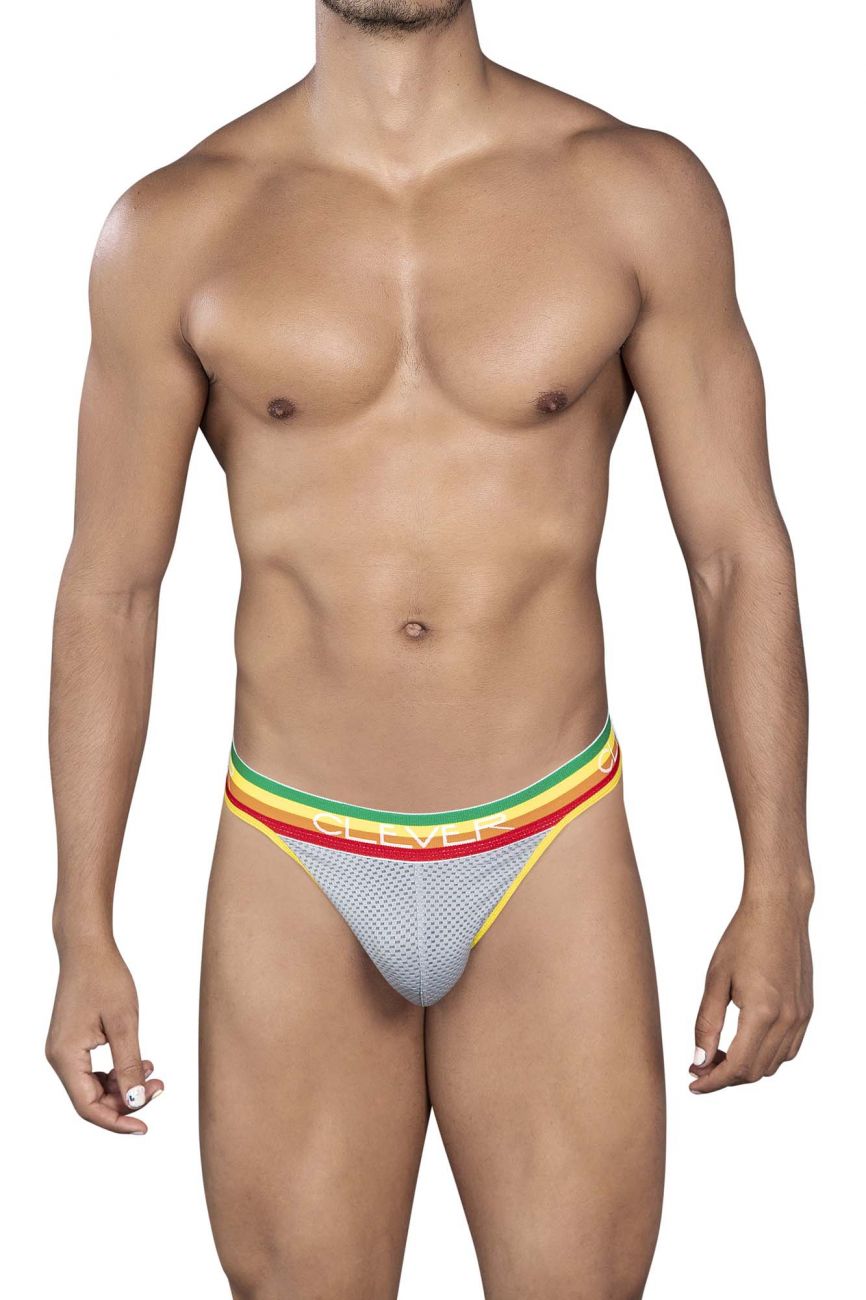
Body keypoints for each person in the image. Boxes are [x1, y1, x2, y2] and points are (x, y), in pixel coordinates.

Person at [45, 1, 815, 1295]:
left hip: (549, 840)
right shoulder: (177, 225)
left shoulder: (633, 192)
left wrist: (780, 884)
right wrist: (80, 925)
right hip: (294, 851)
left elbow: (737, 554)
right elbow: (109, 591)